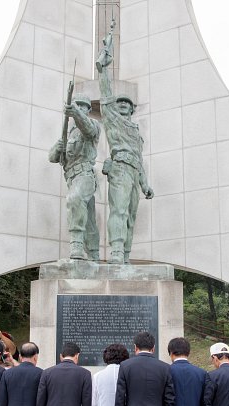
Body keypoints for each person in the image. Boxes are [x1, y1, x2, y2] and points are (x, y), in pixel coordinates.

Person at [96, 27, 154, 264]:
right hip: (119, 168)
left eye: (126, 104)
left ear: (132, 110)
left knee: (130, 215)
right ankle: (117, 251)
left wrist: (145, 183)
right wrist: (104, 68)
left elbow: (140, 160)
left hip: (133, 171)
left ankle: (126, 254)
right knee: (118, 211)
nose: (122, 105)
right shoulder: (113, 120)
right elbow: (106, 92)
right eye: (119, 103)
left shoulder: (136, 132)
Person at [48, 93, 101, 260]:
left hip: (85, 175)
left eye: (82, 106)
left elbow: (88, 130)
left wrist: (76, 113)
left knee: (74, 199)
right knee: (89, 221)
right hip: (71, 178)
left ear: (88, 109)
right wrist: (58, 148)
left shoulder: (93, 124)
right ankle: (93, 254)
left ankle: (76, 244)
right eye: (76, 104)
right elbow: (52, 158)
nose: (79, 107)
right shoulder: (68, 133)